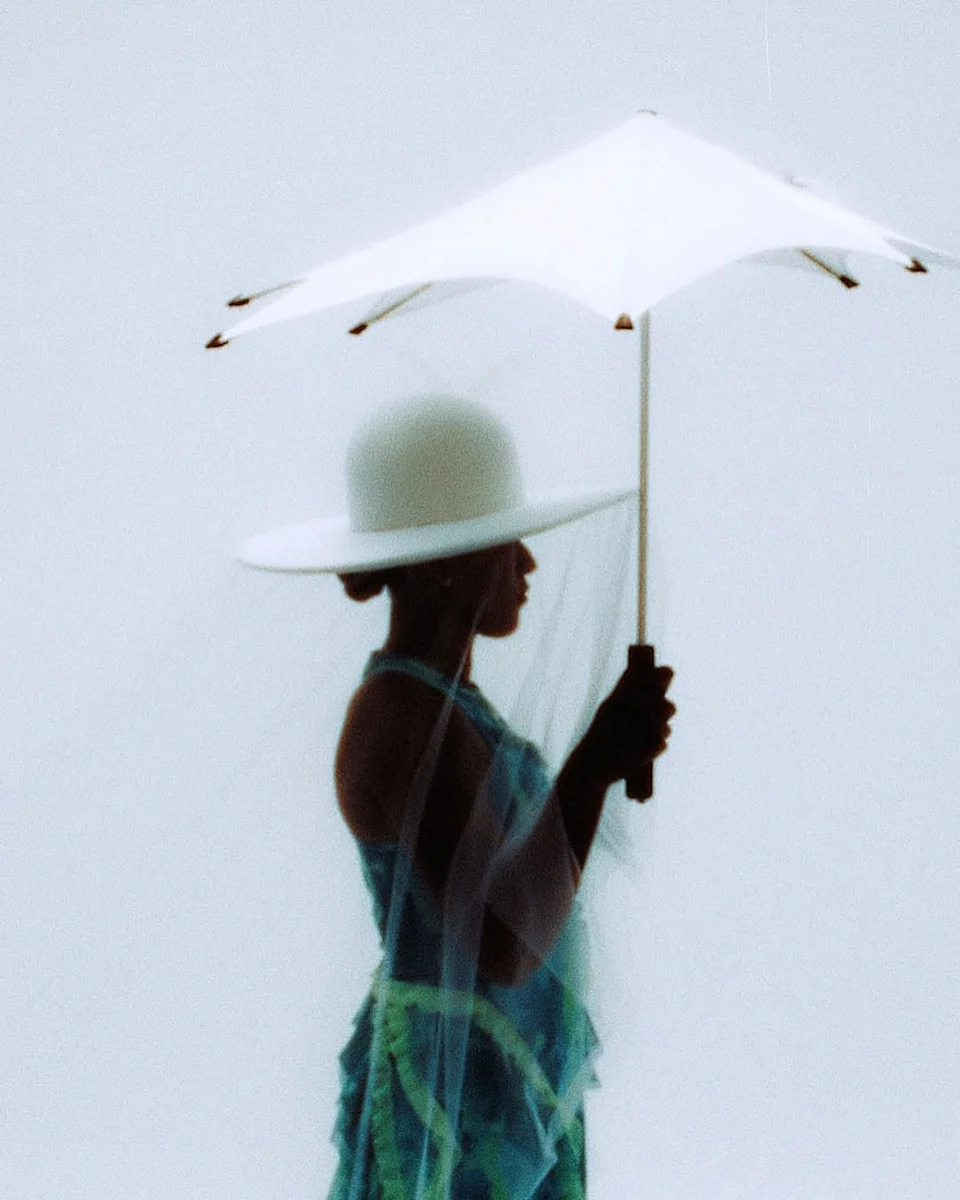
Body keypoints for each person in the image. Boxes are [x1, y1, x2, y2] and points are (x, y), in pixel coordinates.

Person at [237, 395, 675, 1200]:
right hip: (451, 1105)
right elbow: (503, 943)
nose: (527, 565)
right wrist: (592, 767)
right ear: (445, 563)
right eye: (505, 543)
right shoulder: (398, 717)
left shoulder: (443, 706)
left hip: (493, 1078)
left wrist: (604, 761)